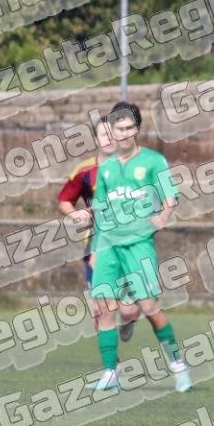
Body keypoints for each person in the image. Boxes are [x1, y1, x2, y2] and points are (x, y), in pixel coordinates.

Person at [89, 101, 190, 393]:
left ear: (137, 129)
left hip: (138, 245)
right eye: (118, 128)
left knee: (148, 307)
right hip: (108, 246)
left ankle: (178, 366)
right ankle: (110, 372)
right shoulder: (106, 168)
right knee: (104, 307)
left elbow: (170, 196)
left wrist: (164, 216)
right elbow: (101, 212)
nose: (124, 133)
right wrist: (95, 248)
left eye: (129, 127)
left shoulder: (153, 161)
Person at [56, 118, 138, 342]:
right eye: (104, 134)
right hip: (95, 244)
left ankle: (129, 319)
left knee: (128, 310)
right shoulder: (85, 171)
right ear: (96, 140)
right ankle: (111, 362)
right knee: (99, 309)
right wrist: (75, 214)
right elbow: (64, 200)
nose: (109, 139)